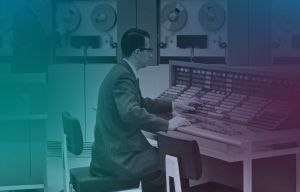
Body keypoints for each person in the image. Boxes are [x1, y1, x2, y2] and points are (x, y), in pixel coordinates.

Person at [90, 28, 199, 191]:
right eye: (148, 49)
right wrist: (167, 125)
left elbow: (141, 103)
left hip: (112, 150)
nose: (151, 54)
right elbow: (131, 112)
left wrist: (175, 104)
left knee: (166, 158)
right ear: (137, 52)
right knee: (169, 164)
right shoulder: (123, 76)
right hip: (119, 157)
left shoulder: (122, 70)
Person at [12, 0, 68, 74]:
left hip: (24, 65)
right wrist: (59, 32)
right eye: (43, 0)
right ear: (34, 1)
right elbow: (44, 41)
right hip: (28, 68)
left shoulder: (23, 13)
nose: (44, 3)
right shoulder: (28, 17)